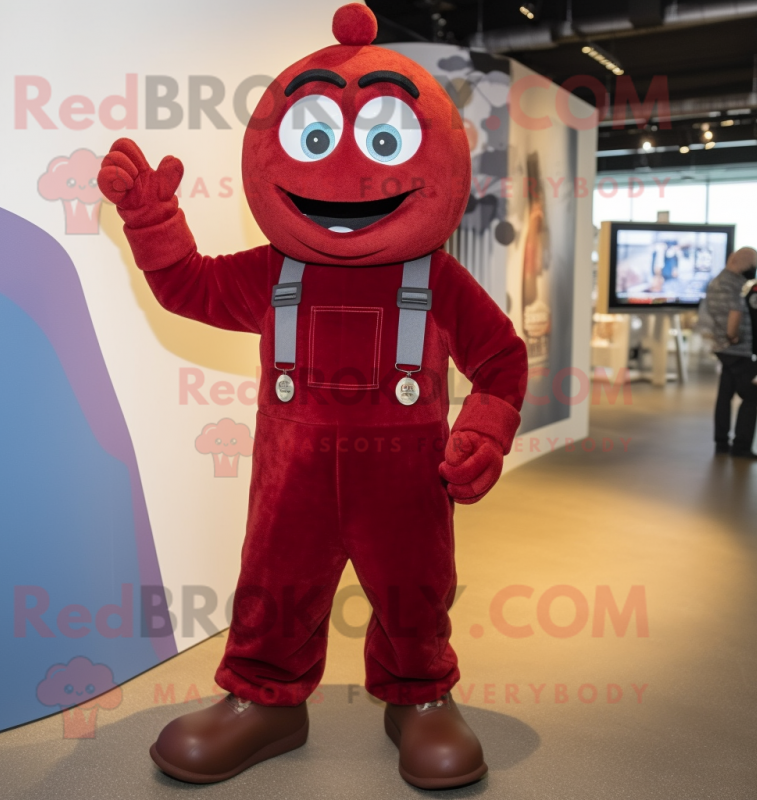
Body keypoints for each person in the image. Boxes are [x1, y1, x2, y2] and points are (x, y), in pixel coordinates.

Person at [98, 4, 527, 790]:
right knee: (273, 582)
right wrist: (154, 223)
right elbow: (189, 287)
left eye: (387, 142)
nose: (349, 174)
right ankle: (265, 699)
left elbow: (501, 359)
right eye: (315, 139)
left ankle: (420, 694)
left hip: (407, 481)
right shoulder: (273, 271)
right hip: (290, 481)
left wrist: (486, 431)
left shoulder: (435, 280)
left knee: (414, 588)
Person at [704, 247, 757, 460]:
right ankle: (742, 446)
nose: (752, 269)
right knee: (751, 396)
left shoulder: (718, 281)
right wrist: (733, 336)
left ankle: (722, 442)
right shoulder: (732, 284)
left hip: (724, 349)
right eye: (752, 264)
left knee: (725, 394)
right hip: (736, 351)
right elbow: (735, 313)